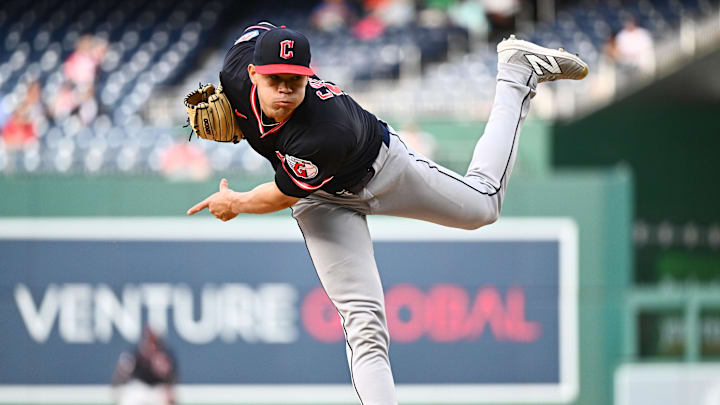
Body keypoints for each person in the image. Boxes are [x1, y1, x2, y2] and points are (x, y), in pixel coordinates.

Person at [185, 22, 587, 405]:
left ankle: (517, 72)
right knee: (365, 326)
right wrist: (243, 117)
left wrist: (234, 202)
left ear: (310, 76)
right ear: (253, 73)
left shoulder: (325, 130)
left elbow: (279, 196)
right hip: (322, 203)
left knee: (483, 206)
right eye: (276, 80)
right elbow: (260, 27)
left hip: (380, 170)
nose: (287, 91)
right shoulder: (234, 70)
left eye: (296, 80)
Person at [112, 327, 177, 405]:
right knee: (129, 397)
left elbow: (170, 378)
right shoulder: (136, 355)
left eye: (154, 341)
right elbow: (121, 376)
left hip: (157, 389)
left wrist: (169, 391)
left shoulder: (164, 356)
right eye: (149, 340)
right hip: (139, 388)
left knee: (165, 397)